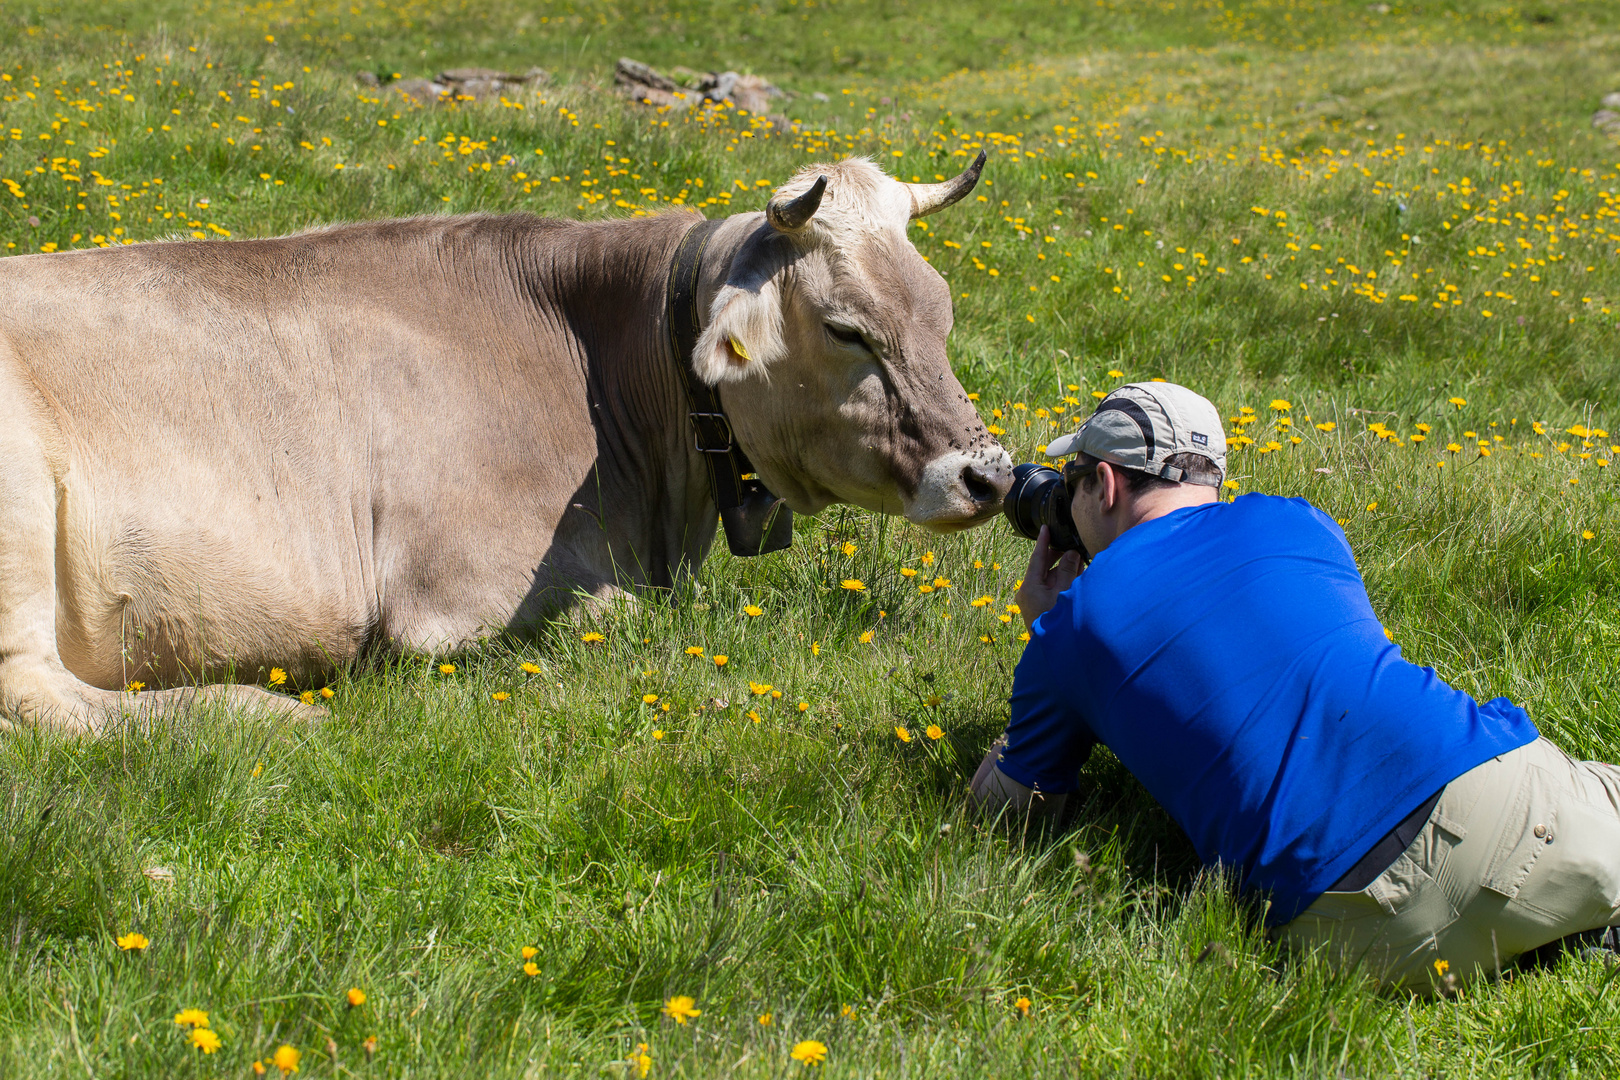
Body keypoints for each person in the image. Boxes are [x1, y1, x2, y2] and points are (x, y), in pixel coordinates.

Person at [971, 381, 1620, 992]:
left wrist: (1047, 629)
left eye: (1074, 480)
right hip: (1515, 805)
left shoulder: (1076, 628)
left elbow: (1006, 815)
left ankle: (1536, 939)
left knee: (1449, 928)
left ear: (1105, 484)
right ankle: (1566, 919)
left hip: (1367, 932)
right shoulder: (1303, 522)